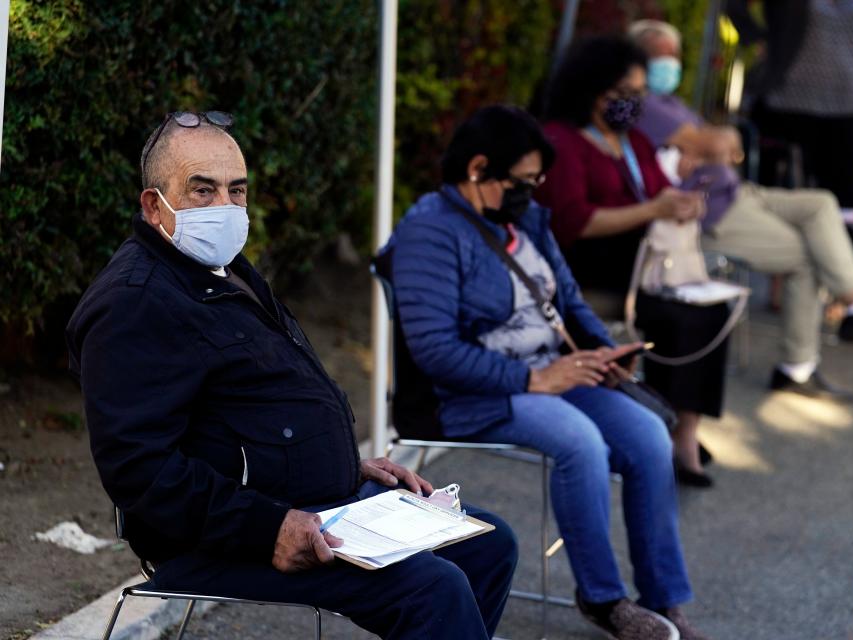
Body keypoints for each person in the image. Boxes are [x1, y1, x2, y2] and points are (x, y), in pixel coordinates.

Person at [64, 112, 518, 640]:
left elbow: (263, 401)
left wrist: (349, 466)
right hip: (223, 538)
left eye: (237, 191)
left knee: (488, 545)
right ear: (152, 204)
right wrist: (268, 529)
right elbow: (139, 472)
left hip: (310, 503)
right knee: (432, 589)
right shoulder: (134, 303)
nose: (226, 208)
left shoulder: (221, 267)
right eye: (202, 191)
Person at [387, 105, 709, 640]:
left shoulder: (527, 219)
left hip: (553, 372)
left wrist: (605, 352)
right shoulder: (430, 231)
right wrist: (535, 381)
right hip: (469, 393)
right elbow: (436, 351)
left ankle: (663, 599)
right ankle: (604, 599)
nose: (533, 193)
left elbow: (570, 303)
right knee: (582, 442)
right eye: (523, 181)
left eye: (537, 181)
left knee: (651, 436)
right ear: (478, 168)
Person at [627, 21, 853, 402]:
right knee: (809, 257)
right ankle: (801, 363)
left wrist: (717, 144)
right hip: (710, 210)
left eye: (673, 56)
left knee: (821, 203)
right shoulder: (637, 105)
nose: (670, 64)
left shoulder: (670, 103)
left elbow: (728, 142)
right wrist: (714, 143)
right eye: (661, 56)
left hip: (735, 190)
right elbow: (713, 139)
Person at [535, 35, 731, 488]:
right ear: (591, 89)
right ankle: (663, 429)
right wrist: (654, 211)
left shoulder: (633, 141)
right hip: (591, 268)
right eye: (623, 94)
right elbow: (573, 224)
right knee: (682, 314)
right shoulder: (563, 141)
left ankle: (684, 430)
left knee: (709, 310)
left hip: (641, 265)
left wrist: (680, 204)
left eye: (640, 94)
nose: (634, 103)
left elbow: (657, 197)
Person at [726, 0, 853, 231]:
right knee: (784, 190)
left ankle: (839, 258)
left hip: (846, 102)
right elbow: (735, 6)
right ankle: (779, 251)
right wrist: (758, 38)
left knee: (845, 196)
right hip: (787, 102)